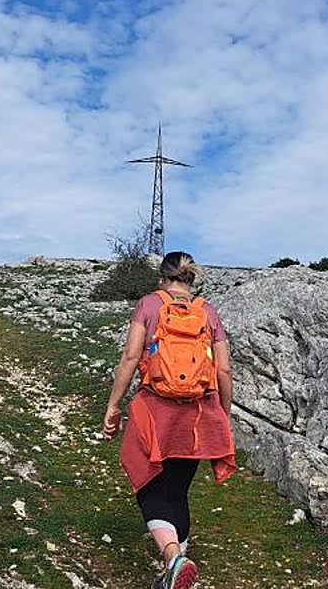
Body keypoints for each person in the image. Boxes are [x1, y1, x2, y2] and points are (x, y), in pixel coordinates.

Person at [102, 251, 236, 589]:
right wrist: (223, 415)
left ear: (162, 277)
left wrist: (114, 405)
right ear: (191, 279)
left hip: (155, 409)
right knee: (177, 491)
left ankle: (173, 557)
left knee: (148, 487)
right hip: (198, 415)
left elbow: (131, 356)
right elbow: (223, 369)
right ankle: (173, 577)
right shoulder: (208, 311)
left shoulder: (149, 304)